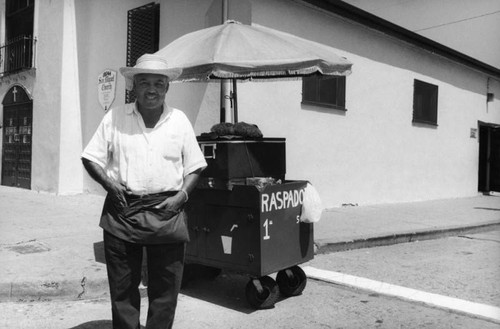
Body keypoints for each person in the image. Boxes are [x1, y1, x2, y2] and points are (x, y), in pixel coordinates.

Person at [81, 54, 207, 329]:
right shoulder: (115, 117)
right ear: (133, 87)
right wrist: (109, 185)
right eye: (145, 83)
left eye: (158, 83)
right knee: (123, 291)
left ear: (167, 88)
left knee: (165, 292)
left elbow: (195, 167)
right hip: (122, 211)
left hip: (167, 211)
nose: (152, 89)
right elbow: (90, 157)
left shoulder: (180, 120)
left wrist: (181, 197)